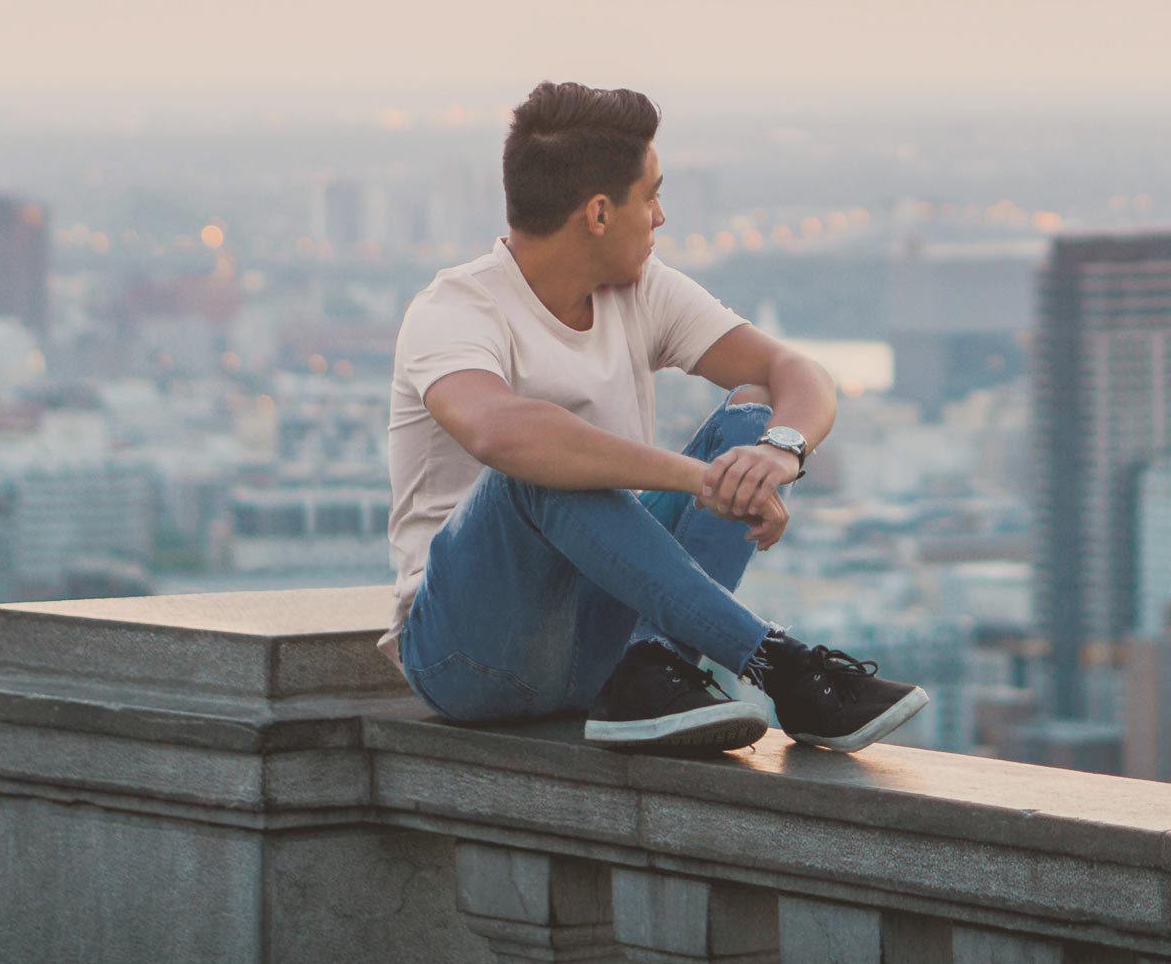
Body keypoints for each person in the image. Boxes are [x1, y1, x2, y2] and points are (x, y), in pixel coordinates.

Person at [383, 80, 925, 753]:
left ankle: (648, 667)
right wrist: (698, 479)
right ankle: (776, 664)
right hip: (471, 658)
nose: (662, 217)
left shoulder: (642, 290)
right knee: (535, 467)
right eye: (653, 194)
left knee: (752, 411)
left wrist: (780, 450)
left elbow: (797, 374)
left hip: (603, 645)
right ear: (601, 212)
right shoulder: (456, 310)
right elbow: (499, 432)